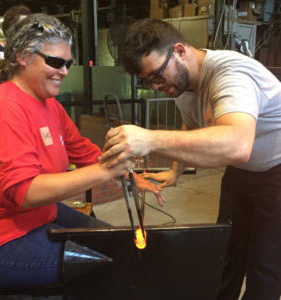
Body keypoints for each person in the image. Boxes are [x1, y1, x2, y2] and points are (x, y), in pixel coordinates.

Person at [101, 18, 281, 300]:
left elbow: (237, 143)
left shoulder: (231, 76)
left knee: (264, 268)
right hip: (240, 174)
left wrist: (150, 139)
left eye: (158, 76)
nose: (157, 86)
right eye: (148, 82)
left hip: (276, 171)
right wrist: (176, 170)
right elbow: (190, 124)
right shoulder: (180, 84)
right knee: (225, 255)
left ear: (180, 51)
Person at [0, 14, 164, 289]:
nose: (64, 71)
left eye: (68, 64)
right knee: (109, 265)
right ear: (22, 57)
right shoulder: (4, 110)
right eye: (55, 62)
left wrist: (128, 175)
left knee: (116, 240)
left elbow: (83, 151)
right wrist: (104, 172)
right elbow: (25, 192)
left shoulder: (48, 104)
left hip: (42, 215)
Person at [0, 5, 31, 73]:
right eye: (20, 25)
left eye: (27, 26)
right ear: (8, 27)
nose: (24, 30)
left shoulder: (30, 52)